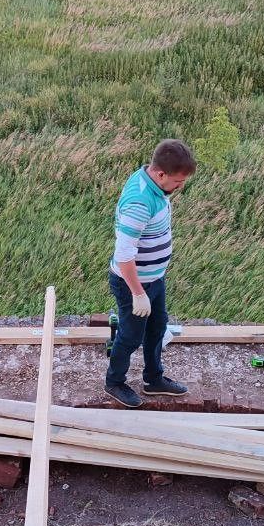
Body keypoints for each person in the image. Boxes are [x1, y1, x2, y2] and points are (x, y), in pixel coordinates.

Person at [104, 139, 196, 409]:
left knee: (157, 328)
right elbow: (123, 255)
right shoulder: (139, 203)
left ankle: (153, 379)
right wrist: (137, 293)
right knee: (131, 335)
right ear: (160, 174)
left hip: (154, 279)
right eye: (178, 182)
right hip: (134, 285)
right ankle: (115, 382)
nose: (180, 187)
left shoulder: (153, 183)